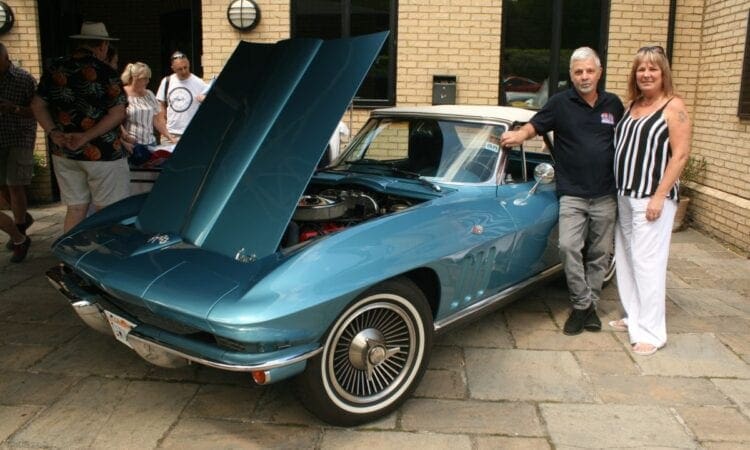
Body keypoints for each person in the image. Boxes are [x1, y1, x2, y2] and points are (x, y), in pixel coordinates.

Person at [500, 47, 624, 336]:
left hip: (606, 193)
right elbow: (536, 125)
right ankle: (583, 305)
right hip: (572, 193)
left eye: (589, 71)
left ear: (599, 73)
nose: (584, 76)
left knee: (600, 253)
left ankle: (588, 306)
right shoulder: (560, 103)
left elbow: (628, 139)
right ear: (571, 75)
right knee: (568, 247)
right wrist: (520, 134)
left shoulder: (613, 104)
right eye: (578, 72)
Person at [610, 45, 691, 356]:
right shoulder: (633, 106)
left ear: (663, 73)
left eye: (652, 69)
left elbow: (681, 154)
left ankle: (653, 333)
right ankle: (634, 317)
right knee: (628, 259)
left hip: (651, 198)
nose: (646, 73)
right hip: (625, 194)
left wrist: (659, 195)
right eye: (641, 69)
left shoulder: (673, 107)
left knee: (648, 264)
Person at [31, 21, 129, 233]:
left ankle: (68, 262)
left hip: (64, 151)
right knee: (108, 211)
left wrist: (54, 133)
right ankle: (105, 261)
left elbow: (37, 105)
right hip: (103, 153)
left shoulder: (55, 69)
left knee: (75, 209)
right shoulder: (106, 72)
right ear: (103, 46)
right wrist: (86, 137)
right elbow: (118, 112)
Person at [0, 43, 35, 261]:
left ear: (5, 58)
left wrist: (13, 108)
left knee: (15, 185)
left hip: (18, 138)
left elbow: (37, 110)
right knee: (4, 188)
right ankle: (19, 224)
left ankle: (20, 233)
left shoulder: (23, 79)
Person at [120, 62, 173, 154]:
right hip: (131, 145)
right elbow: (115, 120)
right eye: (144, 78)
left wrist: (170, 137)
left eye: (148, 78)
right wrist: (125, 137)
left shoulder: (149, 94)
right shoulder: (122, 94)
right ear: (135, 78)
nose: (148, 81)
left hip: (151, 144)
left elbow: (157, 120)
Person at [156, 51, 207, 142]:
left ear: (189, 64)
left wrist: (205, 100)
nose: (184, 71)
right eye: (180, 69)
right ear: (173, 68)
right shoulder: (166, 81)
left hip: (192, 133)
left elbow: (212, 104)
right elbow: (160, 106)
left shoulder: (199, 82)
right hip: (171, 133)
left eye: (185, 67)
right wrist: (165, 131)